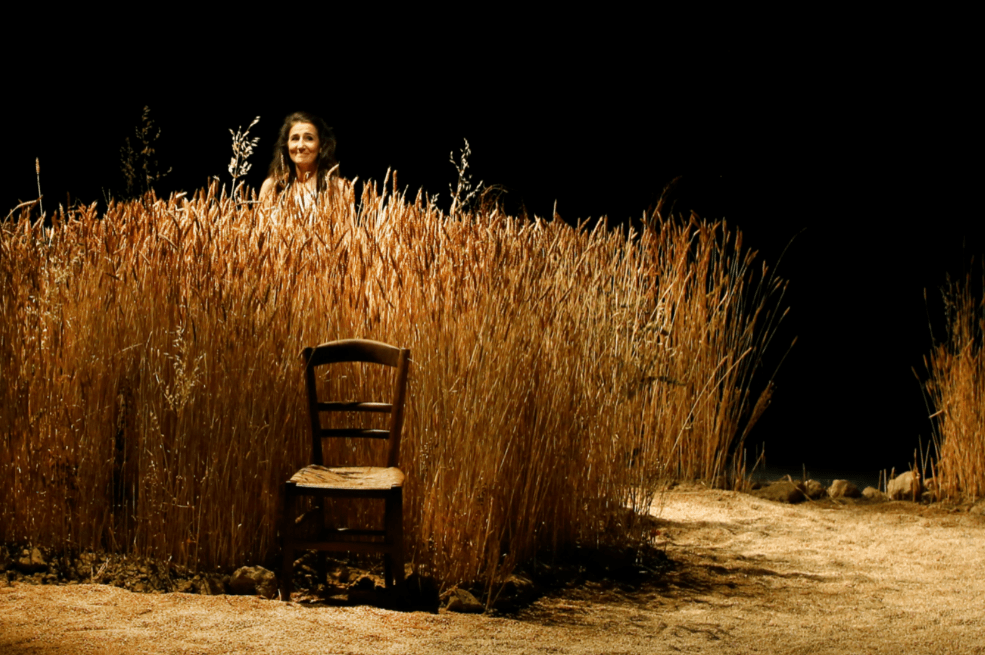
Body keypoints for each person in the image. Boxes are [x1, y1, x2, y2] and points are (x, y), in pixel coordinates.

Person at [259, 112, 345, 204]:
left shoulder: (338, 187)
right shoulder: (272, 187)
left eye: (309, 138)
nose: (300, 146)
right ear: (287, 145)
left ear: (321, 146)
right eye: (295, 139)